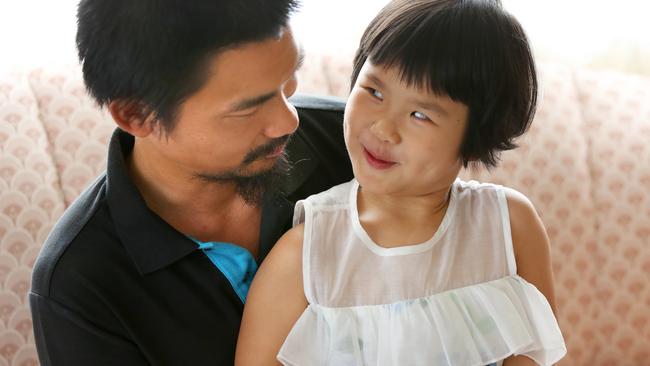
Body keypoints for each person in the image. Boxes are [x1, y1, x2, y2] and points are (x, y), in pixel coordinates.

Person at [235, 0, 567, 365]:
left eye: (420, 114)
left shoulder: (508, 227)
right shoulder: (307, 256)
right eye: (374, 92)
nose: (383, 129)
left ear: (478, 138)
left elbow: (534, 357)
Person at [29, 1, 353, 365]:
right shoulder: (81, 285)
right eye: (247, 108)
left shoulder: (357, 147)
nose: (287, 121)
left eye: (288, 82)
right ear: (137, 116)